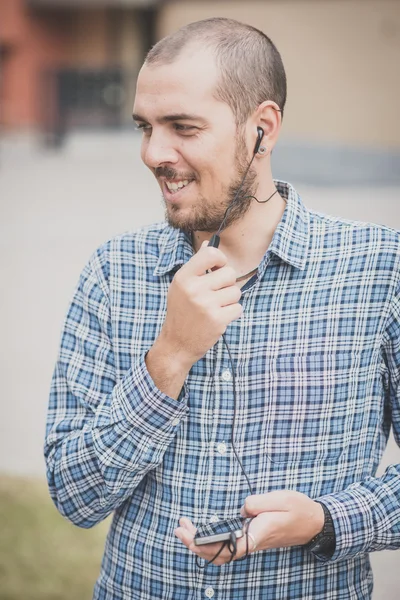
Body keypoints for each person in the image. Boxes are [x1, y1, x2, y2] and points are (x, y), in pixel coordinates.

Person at [44, 17, 400, 600]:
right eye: (145, 127)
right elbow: (74, 496)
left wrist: (328, 520)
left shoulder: (380, 269)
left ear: (262, 128)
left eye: (183, 127)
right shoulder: (114, 272)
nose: (154, 153)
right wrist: (169, 359)